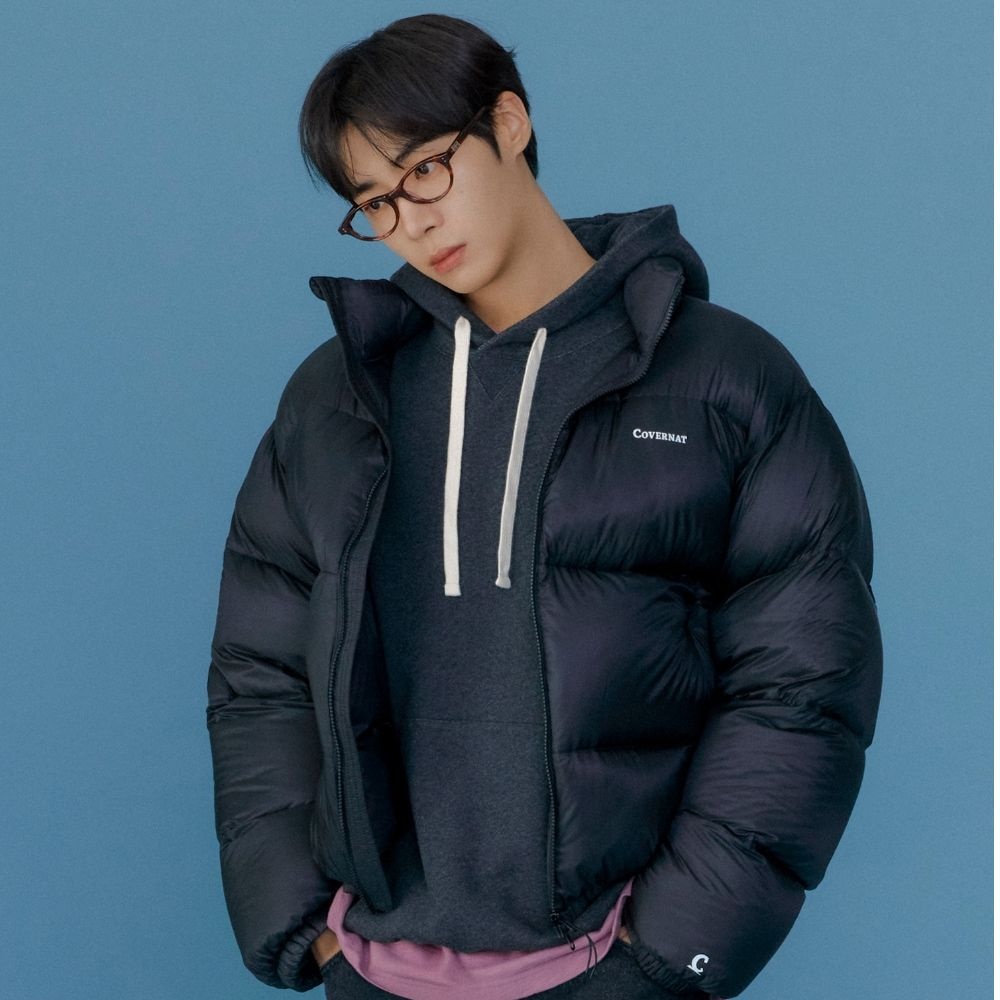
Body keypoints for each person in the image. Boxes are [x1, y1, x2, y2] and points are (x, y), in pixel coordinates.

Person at [206, 13, 883, 1000]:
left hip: (608, 966)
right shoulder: (337, 397)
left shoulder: (724, 379)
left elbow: (803, 682)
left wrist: (663, 956)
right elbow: (257, 674)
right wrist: (306, 930)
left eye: (426, 171)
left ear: (508, 123)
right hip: (375, 968)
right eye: (375, 203)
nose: (411, 222)